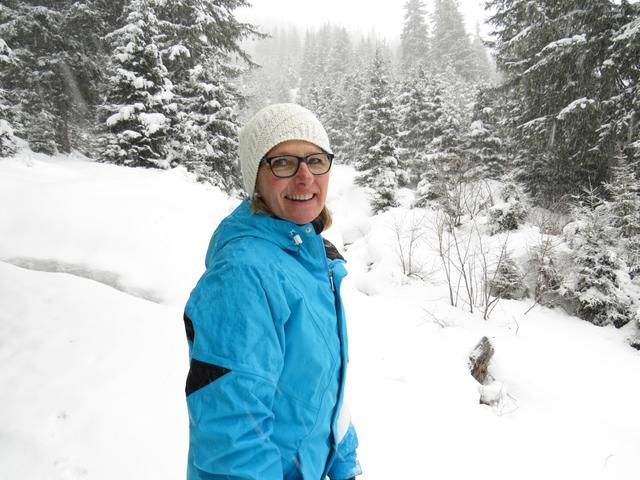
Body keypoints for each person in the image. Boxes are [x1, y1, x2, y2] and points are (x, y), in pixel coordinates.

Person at [183, 103, 362, 480]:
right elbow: (232, 438)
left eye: (316, 160)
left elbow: (324, 390)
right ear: (256, 180)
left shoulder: (311, 257)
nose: (305, 177)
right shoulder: (245, 273)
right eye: (283, 163)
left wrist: (344, 464)